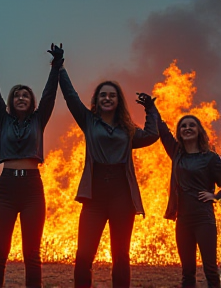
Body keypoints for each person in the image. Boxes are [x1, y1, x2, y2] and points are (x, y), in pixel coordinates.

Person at [58, 61, 159, 287]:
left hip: (121, 196)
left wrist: (151, 110)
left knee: (121, 255)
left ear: (118, 100)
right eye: (103, 95)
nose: (107, 98)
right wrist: (60, 68)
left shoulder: (128, 129)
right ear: (97, 99)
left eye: (112, 95)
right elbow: (71, 97)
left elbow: (152, 135)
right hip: (95, 196)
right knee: (84, 254)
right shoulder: (88, 121)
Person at [0, 43, 64, 288]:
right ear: (11, 101)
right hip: (5, 189)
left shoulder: (39, 119)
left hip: (32, 189)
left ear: (32, 101)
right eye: (17, 95)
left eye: (25, 95)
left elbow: (49, 95)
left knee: (32, 254)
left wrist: (56, 65)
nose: (21, 98)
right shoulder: (2, 120)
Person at [157, 112, 221, 287]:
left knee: (210, 269)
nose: (187, 128)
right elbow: (163, 131)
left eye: (191, 125)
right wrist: (151, 107)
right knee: (187, 271)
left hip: (204, 219)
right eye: (183, 126)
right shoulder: (177, 154)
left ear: (199, 130)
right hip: (183, 220)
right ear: (179, 132)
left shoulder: (210, 158)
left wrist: (215, 196)